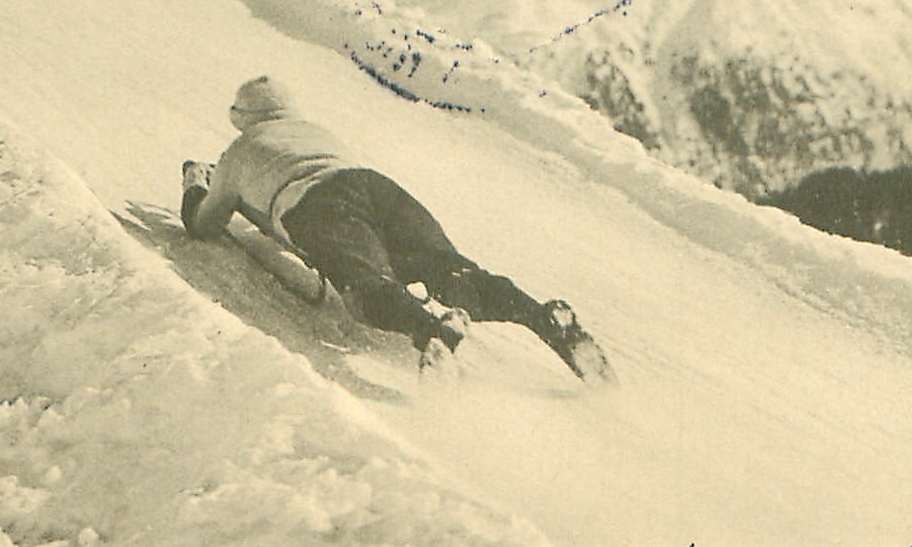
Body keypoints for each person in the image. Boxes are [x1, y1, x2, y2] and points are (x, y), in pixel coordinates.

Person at [182, 76, 611, 379]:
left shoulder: (240, 149)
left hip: (316, 204)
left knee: (365, 288)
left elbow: (204, 224)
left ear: (242, 117)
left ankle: (430, 330)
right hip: (375, 187)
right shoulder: (314, 130)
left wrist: (195, 184)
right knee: (448, 268)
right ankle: (541, 316)